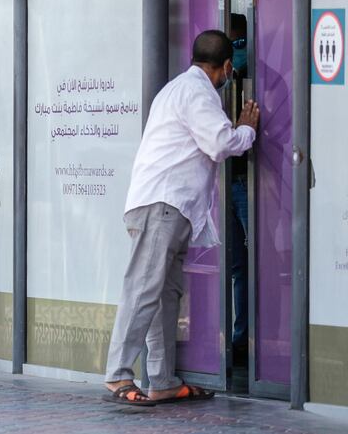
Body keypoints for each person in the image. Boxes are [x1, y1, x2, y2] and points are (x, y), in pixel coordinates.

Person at [103, 30, 260, 405]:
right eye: (229, 72)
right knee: (143, 289)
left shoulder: (175, 89)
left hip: (167, 207)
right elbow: (220, 143)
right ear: (224, 67)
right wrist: (247, 130)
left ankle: (162, 379)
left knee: (165, 295)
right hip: (162, 205)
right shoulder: (197, 93)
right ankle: (118, 375)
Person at [228, 13, 250, 366]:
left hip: (246, 180)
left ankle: (244, 337)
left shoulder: (245, 57)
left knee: (251, 262)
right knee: (235, 265)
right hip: (229, 179)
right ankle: (239, 338)